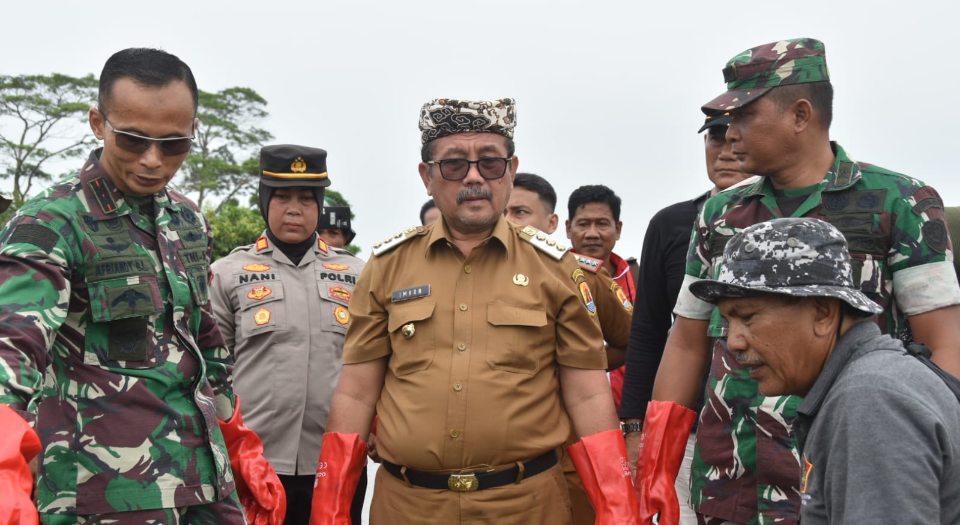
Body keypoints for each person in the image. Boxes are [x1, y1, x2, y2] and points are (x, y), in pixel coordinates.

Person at [639, 38, 960, 525]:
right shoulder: (719, 214)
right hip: (732, 473)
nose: (730, 135)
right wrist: (657, 465)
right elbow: (686, 342)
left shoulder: (900, 202)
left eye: (745, 116)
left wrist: (926, 448)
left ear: (801, 115)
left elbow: (944, 348)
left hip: (850, 462)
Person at [308, 98, 638, 524]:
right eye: (454, 165)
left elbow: (588, 392)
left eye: (490, 163)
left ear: (511, 170)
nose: (474, 177)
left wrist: (617, 505)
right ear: (427, 176)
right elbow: (356, 392)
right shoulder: (387, 267)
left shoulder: (556, 268)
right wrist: (330, 507)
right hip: (407, 507)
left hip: (526, 507)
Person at [0, 48, 284, 524]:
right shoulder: (51, 223)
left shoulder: (187, 218)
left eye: (173, 144)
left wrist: (239, 439)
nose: (153, 160)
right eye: (133, 140)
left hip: (203, 476)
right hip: (103, 490)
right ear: (97, 123)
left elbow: (203, 335)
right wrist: (5, 464)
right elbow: (11, 352)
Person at [688, 217, 960, 525]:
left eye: (747, 317)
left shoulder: (869, 401)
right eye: (727, 321)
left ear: (822, 314)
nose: (733, 342)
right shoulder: (871, 381)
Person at [210, 145, 366, 525]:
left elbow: (373, 364)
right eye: (282, 196)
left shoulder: (359, 275)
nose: (294, 208)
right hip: (254, 459)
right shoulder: (228, 273)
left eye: (306, 198)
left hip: (335, 461)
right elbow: (212, 370)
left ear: (319, 204)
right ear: (265, 201)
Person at [619, 113, 752, 523]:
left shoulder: (799, 220)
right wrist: (637, 428)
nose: (725, 149)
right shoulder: (673, 223)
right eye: (715, 138)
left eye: (736, 137)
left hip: (782, 424)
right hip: (690, 428)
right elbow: (649, 332)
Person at [504, 171, 634, 525]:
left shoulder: (582, 274)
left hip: (568, 451)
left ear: (550, 223)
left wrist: (573, 365)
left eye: (519, 212)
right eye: (503, 212)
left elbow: (631, 342)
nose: (509, 222)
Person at [566, 184, 636, 412]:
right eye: (584, 224)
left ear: (618, 229)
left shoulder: (641, 278)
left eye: (602, 224)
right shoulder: (546, 275)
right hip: (565, 414)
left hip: (631, 416)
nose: (592, 233)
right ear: (568, 229)